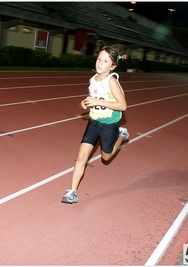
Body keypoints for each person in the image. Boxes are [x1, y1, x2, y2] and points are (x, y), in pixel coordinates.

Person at [61, 45, 129, 204]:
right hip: (93, 121)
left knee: (106, 157)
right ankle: (72, 191)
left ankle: (121, 135)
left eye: (105, 61)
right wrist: (84, 104)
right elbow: (92, 100)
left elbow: (123, 106)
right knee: (81, 157)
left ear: (112, 66)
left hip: (108, 124)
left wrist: (98, 101)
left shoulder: (111, 81)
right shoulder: (92, 80)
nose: (100, 63)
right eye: (99, 59)